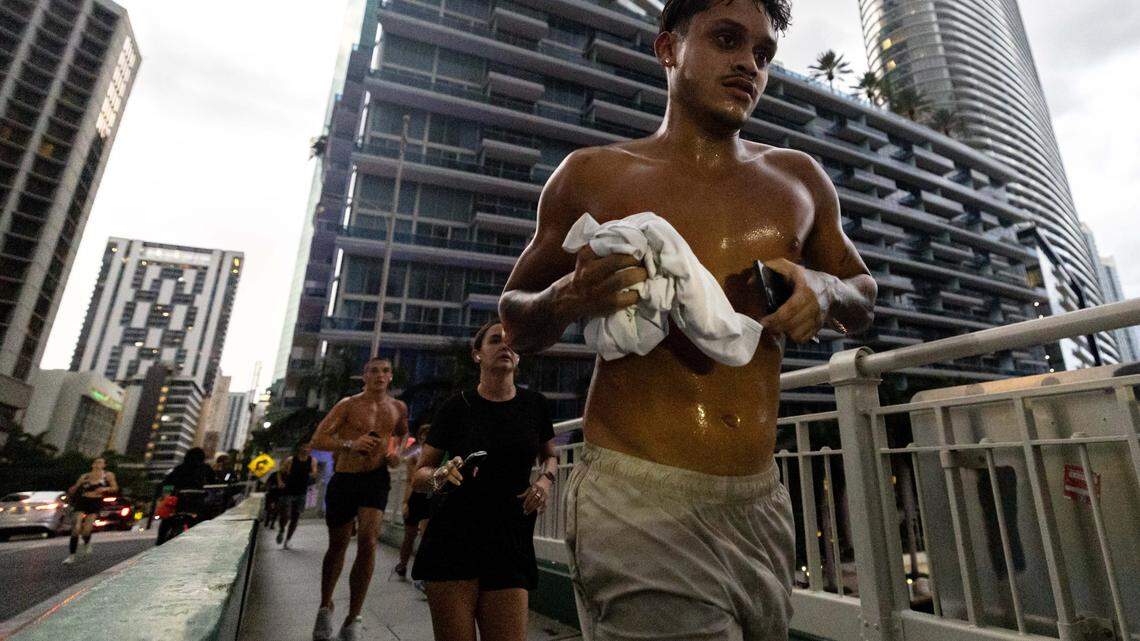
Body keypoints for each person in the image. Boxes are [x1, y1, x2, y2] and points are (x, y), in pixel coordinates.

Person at [497, 0, 877, 637]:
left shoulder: (798, 178)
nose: (748, 65)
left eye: (762, 54)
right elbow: (514, 319)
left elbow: (864, 294)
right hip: (638, 500)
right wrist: (568, 298)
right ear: (668, 49)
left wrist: (825, 291)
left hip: (761, 501)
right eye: (727, 40)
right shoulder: (593, 174)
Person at [411, 320, 558, 641]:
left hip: (510, 539)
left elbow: (552, 455)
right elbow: (420, 474)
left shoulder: (535, 405)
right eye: (495, 340)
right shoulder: (456, 406)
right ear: (477, 354)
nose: (506, 346)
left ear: (518, 358)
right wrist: (439, 474)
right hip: (453, 538)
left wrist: (544, 482)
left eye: (512, 343)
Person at [309, 357, 409, 641]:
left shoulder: (398, 408)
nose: (380, 375)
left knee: (369, 541)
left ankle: (354, 617)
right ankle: (325, 606)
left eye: (385, 371)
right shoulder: (348, 405)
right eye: (374, 370)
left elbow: (402, 435)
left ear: (390, 377)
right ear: (364, 375)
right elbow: (318, 439)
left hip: (375, 479)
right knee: (338, 544)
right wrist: (350, 444)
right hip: (345, 478)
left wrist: (395, 453)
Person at [394, 423, 432, 579]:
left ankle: (422, 571)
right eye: (422, 435)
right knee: (409, 535)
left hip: (430, 496)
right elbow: (410, 481)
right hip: (416, 496)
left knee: (425, 535)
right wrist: (405, 502)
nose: (424, 438)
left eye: (427, 435)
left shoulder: (436, 455)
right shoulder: (414, 457)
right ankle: (402, 564)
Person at [156, 447, 217, 545]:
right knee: (206, 521)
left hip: (179, 502)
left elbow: (166, 482)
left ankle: (160, 541)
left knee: (167, 521)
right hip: (198, 503)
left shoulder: (179, 468)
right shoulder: (206, 468)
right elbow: (214, 483)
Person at [64, 457, 118, 564]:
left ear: (104, 465)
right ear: (92, 465)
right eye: (96, 462)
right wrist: (77, 485)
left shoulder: (107, 475)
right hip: (82, 500)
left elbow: (115, 487)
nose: (98, 464)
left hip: (95, 502)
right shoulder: (85, 476)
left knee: (86, 530)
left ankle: (87, 542)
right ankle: (71, 556)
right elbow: (73, 489)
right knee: (76, 528)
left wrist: (104, 489)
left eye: (101, 462)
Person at [276, 441, 318, 549]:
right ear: (300, 448)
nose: (306, 449)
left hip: (301, 492)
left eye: (308, 447)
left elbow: (314, 472)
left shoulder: (312, 461)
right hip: (288, 491)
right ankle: (281, 529)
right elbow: (279, 472)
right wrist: (280, 482)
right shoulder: (291, 460)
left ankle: (288, 540)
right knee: (285, 515)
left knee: (295, 517)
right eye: (304, 446)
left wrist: (313, 475)